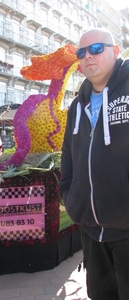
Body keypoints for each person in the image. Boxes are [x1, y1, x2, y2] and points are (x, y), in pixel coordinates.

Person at [59, 27, 129, 300]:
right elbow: (68, 156)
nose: (88, 56)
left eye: (96, 49)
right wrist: (68, 193)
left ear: (115, 51)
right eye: (81, 52)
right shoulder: (77, 106)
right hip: (91, 231)